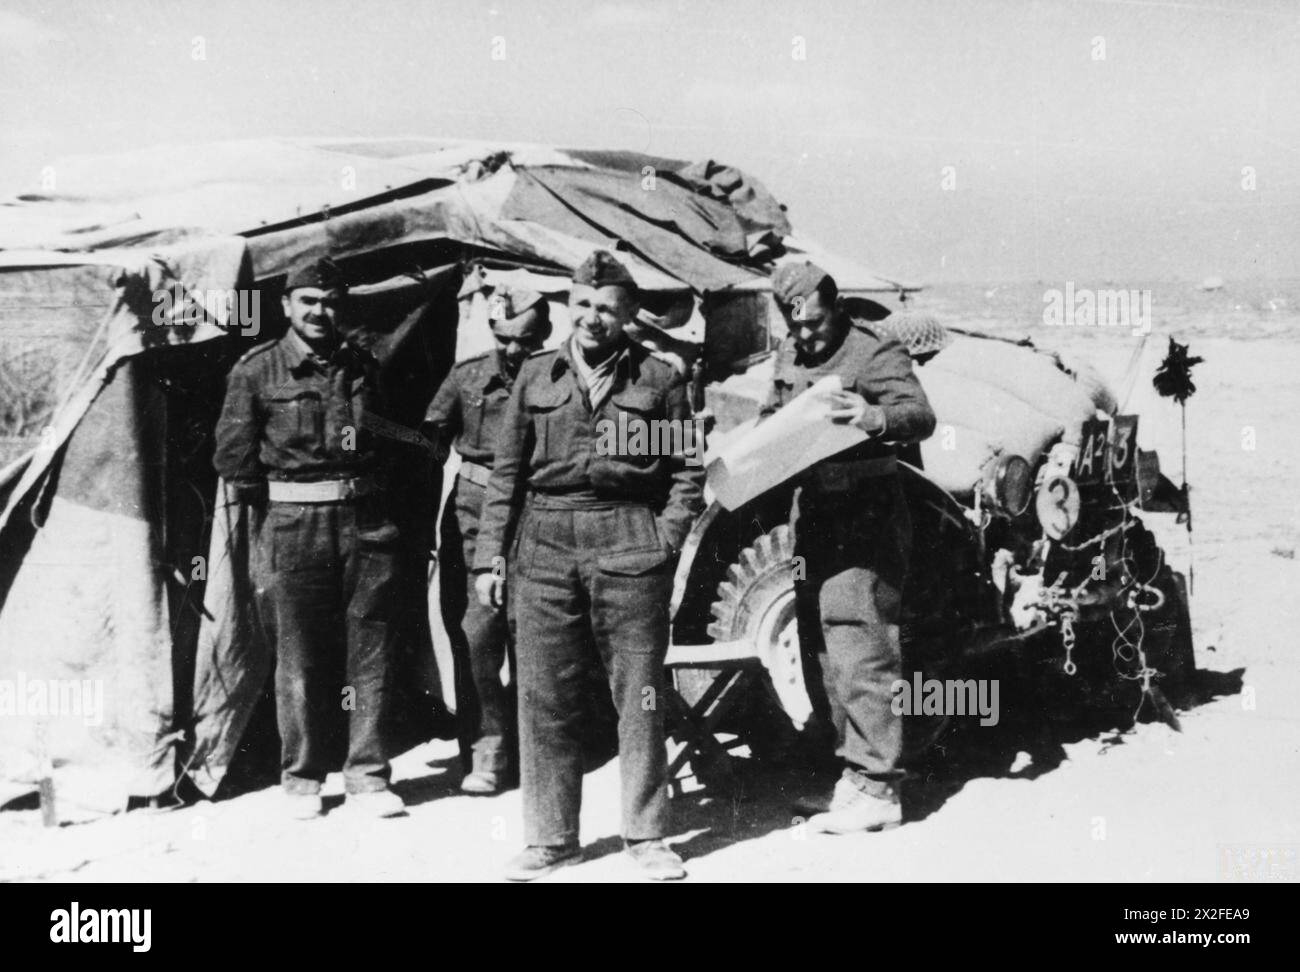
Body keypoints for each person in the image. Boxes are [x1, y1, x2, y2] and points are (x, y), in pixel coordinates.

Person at [473, 250, 705, 881]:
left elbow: (688, 472)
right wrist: (488, 558)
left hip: (629, 537)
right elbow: (505, 477)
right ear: (568, 308)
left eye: (606, 308)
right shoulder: (536, 378)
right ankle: (551, 838)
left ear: (628, 314)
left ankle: (647, 835)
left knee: (641, 694)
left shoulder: (658, 381)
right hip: (544, 542)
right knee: (544, 693)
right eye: (582, 306)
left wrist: (665, 541)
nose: (592, 319)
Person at [213, 256, 406, 820]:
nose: (321, 311)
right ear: (287, 306)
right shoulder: (257, 371)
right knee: (300, 657)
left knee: (371, 652)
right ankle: (301, 779)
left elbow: (389, 442)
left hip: (367, 524)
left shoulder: (365, 367)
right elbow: (232, 457)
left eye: (330, 301)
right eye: (309, 301)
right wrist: (285, 502)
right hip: (295, 528)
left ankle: (368, 776)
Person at [761, 261, 936, 834]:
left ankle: (879, 789)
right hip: (812, 515)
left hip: (867, 515)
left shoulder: (873, 351)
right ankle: (851, 779)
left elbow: (921, 416)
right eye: (797, 330)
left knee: (862, 647)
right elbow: (774, 415)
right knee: (821, 650)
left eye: (814, 325)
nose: (806, 338)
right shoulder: (790, 354)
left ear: (835, 308)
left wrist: (873, 416)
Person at [423, 285, 551, 794]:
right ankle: (486, 749)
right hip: (473, 517)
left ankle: (538, 749)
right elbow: (428, 444)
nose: (513, 351)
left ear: (542, 334)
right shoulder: (468, 376)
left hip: (538, 515)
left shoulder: (558, 377)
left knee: (536, 636)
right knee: (476, 637)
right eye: (503, 339)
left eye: (523, 340)